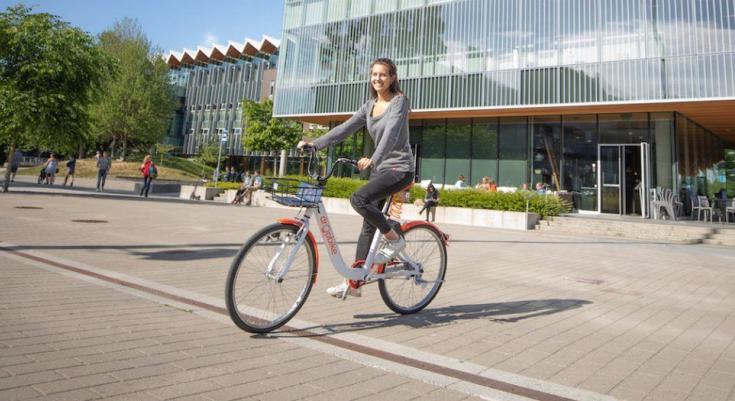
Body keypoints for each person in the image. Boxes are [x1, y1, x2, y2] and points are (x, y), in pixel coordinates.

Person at [298, 57, 415, 299]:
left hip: (400, 169)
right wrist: (315, 145)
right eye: (374, 74)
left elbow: (392, 134)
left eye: (383, 74)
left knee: (359, 199)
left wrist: (374, 157)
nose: (377, 78)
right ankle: (354, 282)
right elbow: (345, 128)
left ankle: (394, 239)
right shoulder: (369, 106)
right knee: (367, 227)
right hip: (380, 169)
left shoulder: (399, 102)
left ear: (392, 77)